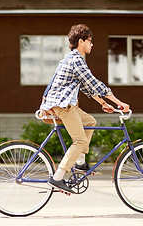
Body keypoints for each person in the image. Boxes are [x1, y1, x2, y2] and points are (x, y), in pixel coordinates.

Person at [40, 24, 130, 194]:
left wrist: (103, 103)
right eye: (89, 41)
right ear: (81, 41)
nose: (92, 44)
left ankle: (80, 162)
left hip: (66, 104)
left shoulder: (74, 59)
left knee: (90, 121)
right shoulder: (76, 60)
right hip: (62, 104)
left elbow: (86, 87)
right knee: (80, 140)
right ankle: (57, 178)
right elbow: (94, 83)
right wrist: (119, 103)